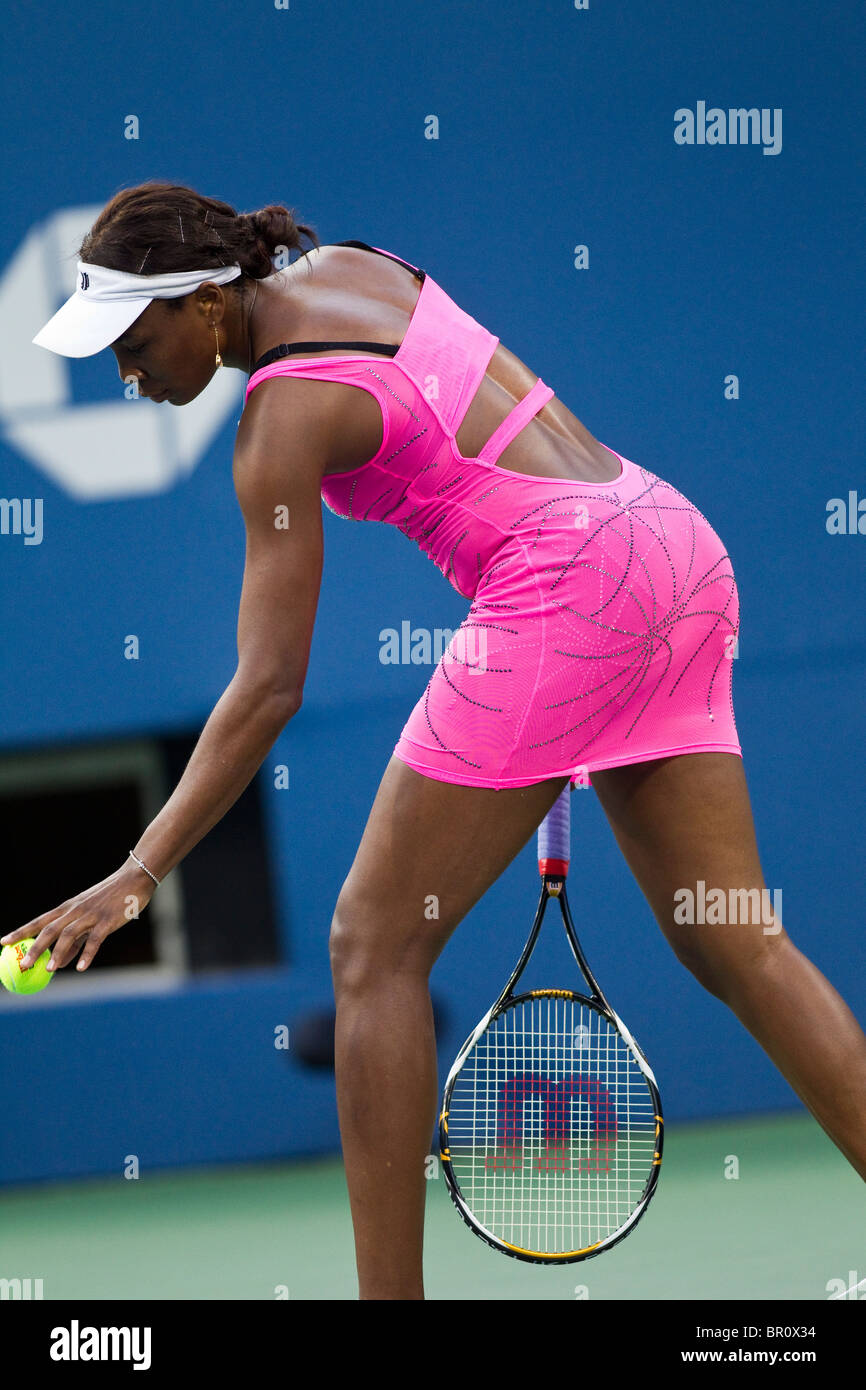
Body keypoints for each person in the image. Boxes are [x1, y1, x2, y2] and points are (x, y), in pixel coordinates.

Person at [6, 179, 866, 1301]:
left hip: (559, 592)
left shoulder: (277, 423)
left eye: (134, 338)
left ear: (208, 301)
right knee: (736, 943)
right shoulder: (354, 265)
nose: (126, 372)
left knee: (370, 947)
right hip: (667, 544)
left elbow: (268, 688)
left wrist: (138, 869)